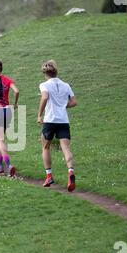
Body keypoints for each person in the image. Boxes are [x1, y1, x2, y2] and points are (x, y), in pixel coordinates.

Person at [37, 60, 77, 192]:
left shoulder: (44, 85)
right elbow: (73, 102)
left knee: (45, 147)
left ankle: (49, 176)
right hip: (63, 120)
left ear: (45, 73)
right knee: (66, 148)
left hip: (50, 120)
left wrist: (39, 115)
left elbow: (44, 97)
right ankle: (70, 171)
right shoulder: (66, 85)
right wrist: (62, 106)